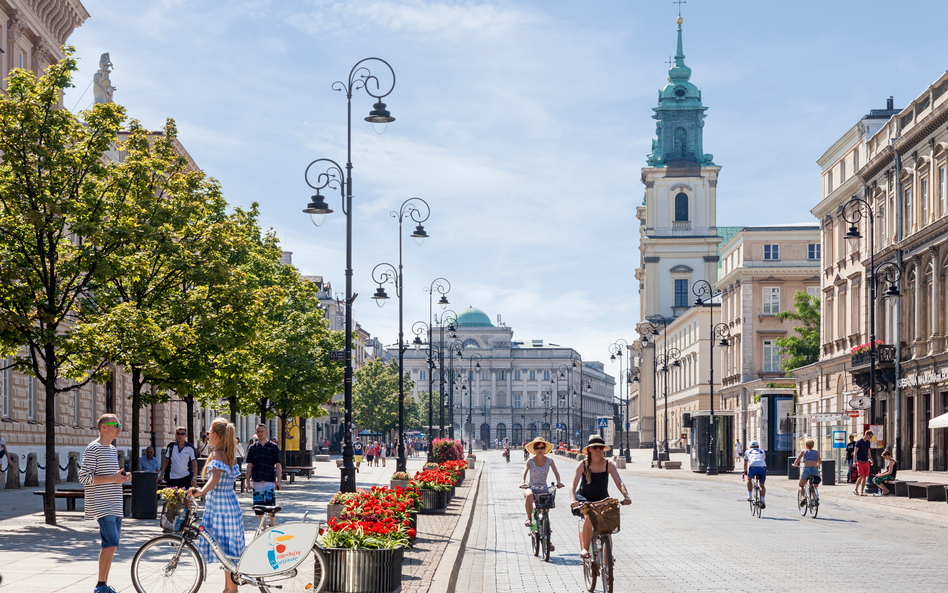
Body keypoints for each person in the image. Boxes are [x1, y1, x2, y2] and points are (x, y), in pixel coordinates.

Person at [188, 417, 245, 593]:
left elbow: (215, 478)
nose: (207, 436)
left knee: (223, 551)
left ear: (217, 435)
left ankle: (231, 589)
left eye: (209, 433)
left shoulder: (217, 455)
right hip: (230, 505)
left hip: (219, 507)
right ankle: (229, 588)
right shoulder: (230, 454)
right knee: (228, 550)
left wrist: (199, 492)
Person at [78, 413, 132, 593]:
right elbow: (84, 478)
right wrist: (113, 478)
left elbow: (110, 476)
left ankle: (103, 585)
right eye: (116, 425)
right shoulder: (93, 448)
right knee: (111, 542)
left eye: (120, 425)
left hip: (116, 502)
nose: (119, 429)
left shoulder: (112, 450)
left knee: (112, 545)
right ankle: (100, 586)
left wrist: (121, 477)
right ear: (104, 427)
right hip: (101, 504)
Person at [569, 435, 631, 558]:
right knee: (589, 516)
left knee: (606, 526)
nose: (598, 450)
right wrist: (573, 500)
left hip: (602, 500)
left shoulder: (609, 465)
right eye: (595, 447)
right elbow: (572, 485)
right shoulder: (583, 464)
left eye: (601, 447)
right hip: (584, 499)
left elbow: (619, 482)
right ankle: (585, 549)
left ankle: (608, 556)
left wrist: (626, 496)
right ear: (589, 450)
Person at [520, 437, 564, 549]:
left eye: (542, 447)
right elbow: (524, 473)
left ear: (545, 448)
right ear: (534, 449)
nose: (539, 449)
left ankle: (548, 540)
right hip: (532, 487)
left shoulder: (550, 461)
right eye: (537, 447)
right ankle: (529, 518)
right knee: (529, 495)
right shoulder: (530, 461)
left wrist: (558, 482)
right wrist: (523, 482)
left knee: (545, 513)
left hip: (544, 488)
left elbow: (557, 473)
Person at [245, 423, 282, 527]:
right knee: (259, 506)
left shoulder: (273, 447)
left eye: (262, 431)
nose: (260, 433)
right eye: (258, 431)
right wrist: (247, 482)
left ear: (266, 433)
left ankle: (272, 524)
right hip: (256, 481)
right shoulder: (252, 448)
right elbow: (249, 465)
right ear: (256, 433)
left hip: (269, 480)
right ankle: (264, 527)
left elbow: (278, 465)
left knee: (270, 504)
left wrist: (279, 481)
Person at [743, 440, 767, 509]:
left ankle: (750, 495)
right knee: (762, 485)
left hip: (752, 467)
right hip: (763, 467)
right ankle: (762, 500)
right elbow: (763, 459)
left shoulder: (747, 451)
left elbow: (745, 463)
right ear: (758, 446)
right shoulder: (762, 451)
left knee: (749, 479)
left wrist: (745, 471)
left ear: (750, 447)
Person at [853, 430, 874, 496]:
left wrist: (871, 459)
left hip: (866, 461)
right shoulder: (859, 442)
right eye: (870, 437)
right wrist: (854, 461)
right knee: (861, 476)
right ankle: (855, 489)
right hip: (860, 461)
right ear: (867, 435)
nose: (870, 438)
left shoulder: (868, 442)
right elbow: (855, 452)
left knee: (864, 477)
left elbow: (868, 451)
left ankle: (862, 492)